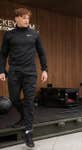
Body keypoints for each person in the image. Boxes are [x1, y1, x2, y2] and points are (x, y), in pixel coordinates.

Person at [0, 8, 48, 148]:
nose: (27, 20)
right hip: (14, 72)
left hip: (30, 73)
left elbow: (42, 53)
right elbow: (3, 54)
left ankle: (28, 133)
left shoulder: (34, 34)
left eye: (28, 18)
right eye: (24, 17)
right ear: (16, 18)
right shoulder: (9, 35)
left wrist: (44, 69)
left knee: (29, 101)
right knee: (14, 99)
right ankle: (24, 117)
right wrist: (1, 70)